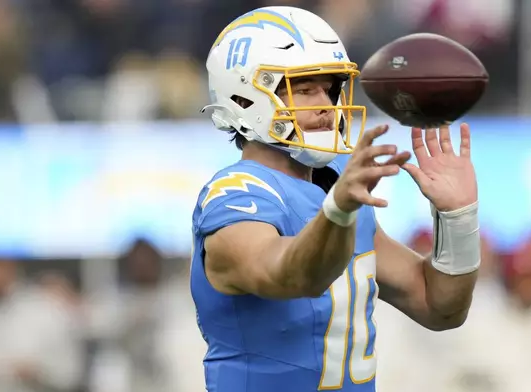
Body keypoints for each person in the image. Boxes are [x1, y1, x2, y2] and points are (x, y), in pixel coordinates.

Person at [190, 6, 481, 391]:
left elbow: (439, 306)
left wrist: (458, 217)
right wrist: (339, 209)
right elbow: (293, 274)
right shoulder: (236, 196)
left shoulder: (334, 183)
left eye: (330, 88)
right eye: (305, 88)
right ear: (243, 98)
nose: (326, 105)